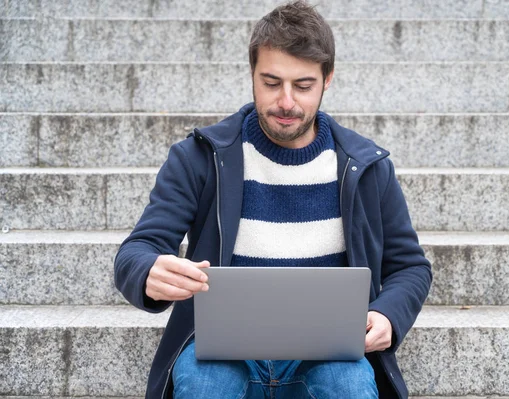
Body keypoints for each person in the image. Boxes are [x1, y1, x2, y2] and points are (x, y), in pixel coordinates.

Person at [114, 1, 432, 398]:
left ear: (327, 79)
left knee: (348, 385)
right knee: (203, 385)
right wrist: (148, 271)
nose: (286, 102)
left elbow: (411, 268)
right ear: (251, 74)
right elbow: (136, 250)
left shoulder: (365, 166)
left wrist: (388, 314)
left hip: (329, 352)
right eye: (271, 82)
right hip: (220, 353)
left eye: (303, 85)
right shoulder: (199, 157)